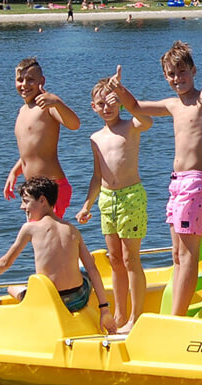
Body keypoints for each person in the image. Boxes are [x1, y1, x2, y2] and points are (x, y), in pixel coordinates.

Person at [108, 41, 202, 316]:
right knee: (176, 255)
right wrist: (118, 90)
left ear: (193, 71)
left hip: (196, 182)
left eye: (181, 72)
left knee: (187, 254)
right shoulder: (172, 105)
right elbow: (136, 106)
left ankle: (176, 318)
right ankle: (177, 314)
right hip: (177, 184)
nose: (177, 79)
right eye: (171, 75)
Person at [0, 177, 117, 334]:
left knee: (12, 288)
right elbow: (93, 269)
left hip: (50, 300)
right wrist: (104, 310)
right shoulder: (71, 229)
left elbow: (6, 262)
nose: (22, 207)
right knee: (85, 268)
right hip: (79, 298)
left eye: (26, 201)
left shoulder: (30, 228)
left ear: (42, 200)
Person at [76, 78, 153, 334]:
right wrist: (87, 204)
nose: (107, 108)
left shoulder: (130, 125)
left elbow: (147, 120)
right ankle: (120, 314)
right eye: (101, 104)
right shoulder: (95, 138)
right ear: (93, 107)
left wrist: (121, 91)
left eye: (111, 102)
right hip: (107, 200)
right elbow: (98, 176)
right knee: (115, 259)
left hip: (131, 196)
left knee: (131, 258)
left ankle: (137, 315)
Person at [4, 58, 80, 219]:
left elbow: (74, 124)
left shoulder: (47, 106)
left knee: (49, 238)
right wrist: (14, 172)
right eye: (20, 80)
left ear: (42, 81)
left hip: (52, 187)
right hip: (32, 189)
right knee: (39, 237)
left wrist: (57, 102)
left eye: (30, 80)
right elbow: (30, 151)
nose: (24, 84)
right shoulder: (22, 111)